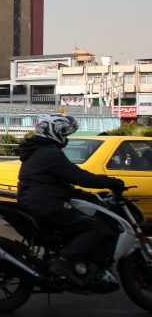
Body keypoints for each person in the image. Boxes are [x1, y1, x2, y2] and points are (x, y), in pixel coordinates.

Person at [17, 114, 125, 284]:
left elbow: (62, 185)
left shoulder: (39, 151)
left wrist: (90, 197)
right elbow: (77, 176)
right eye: (64, 132)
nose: (65, 137)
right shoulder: (49, 153)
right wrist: (111, 183)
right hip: (47, 204)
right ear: (51, 131)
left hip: (40, 201)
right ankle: (64, 261)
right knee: (94, 228)